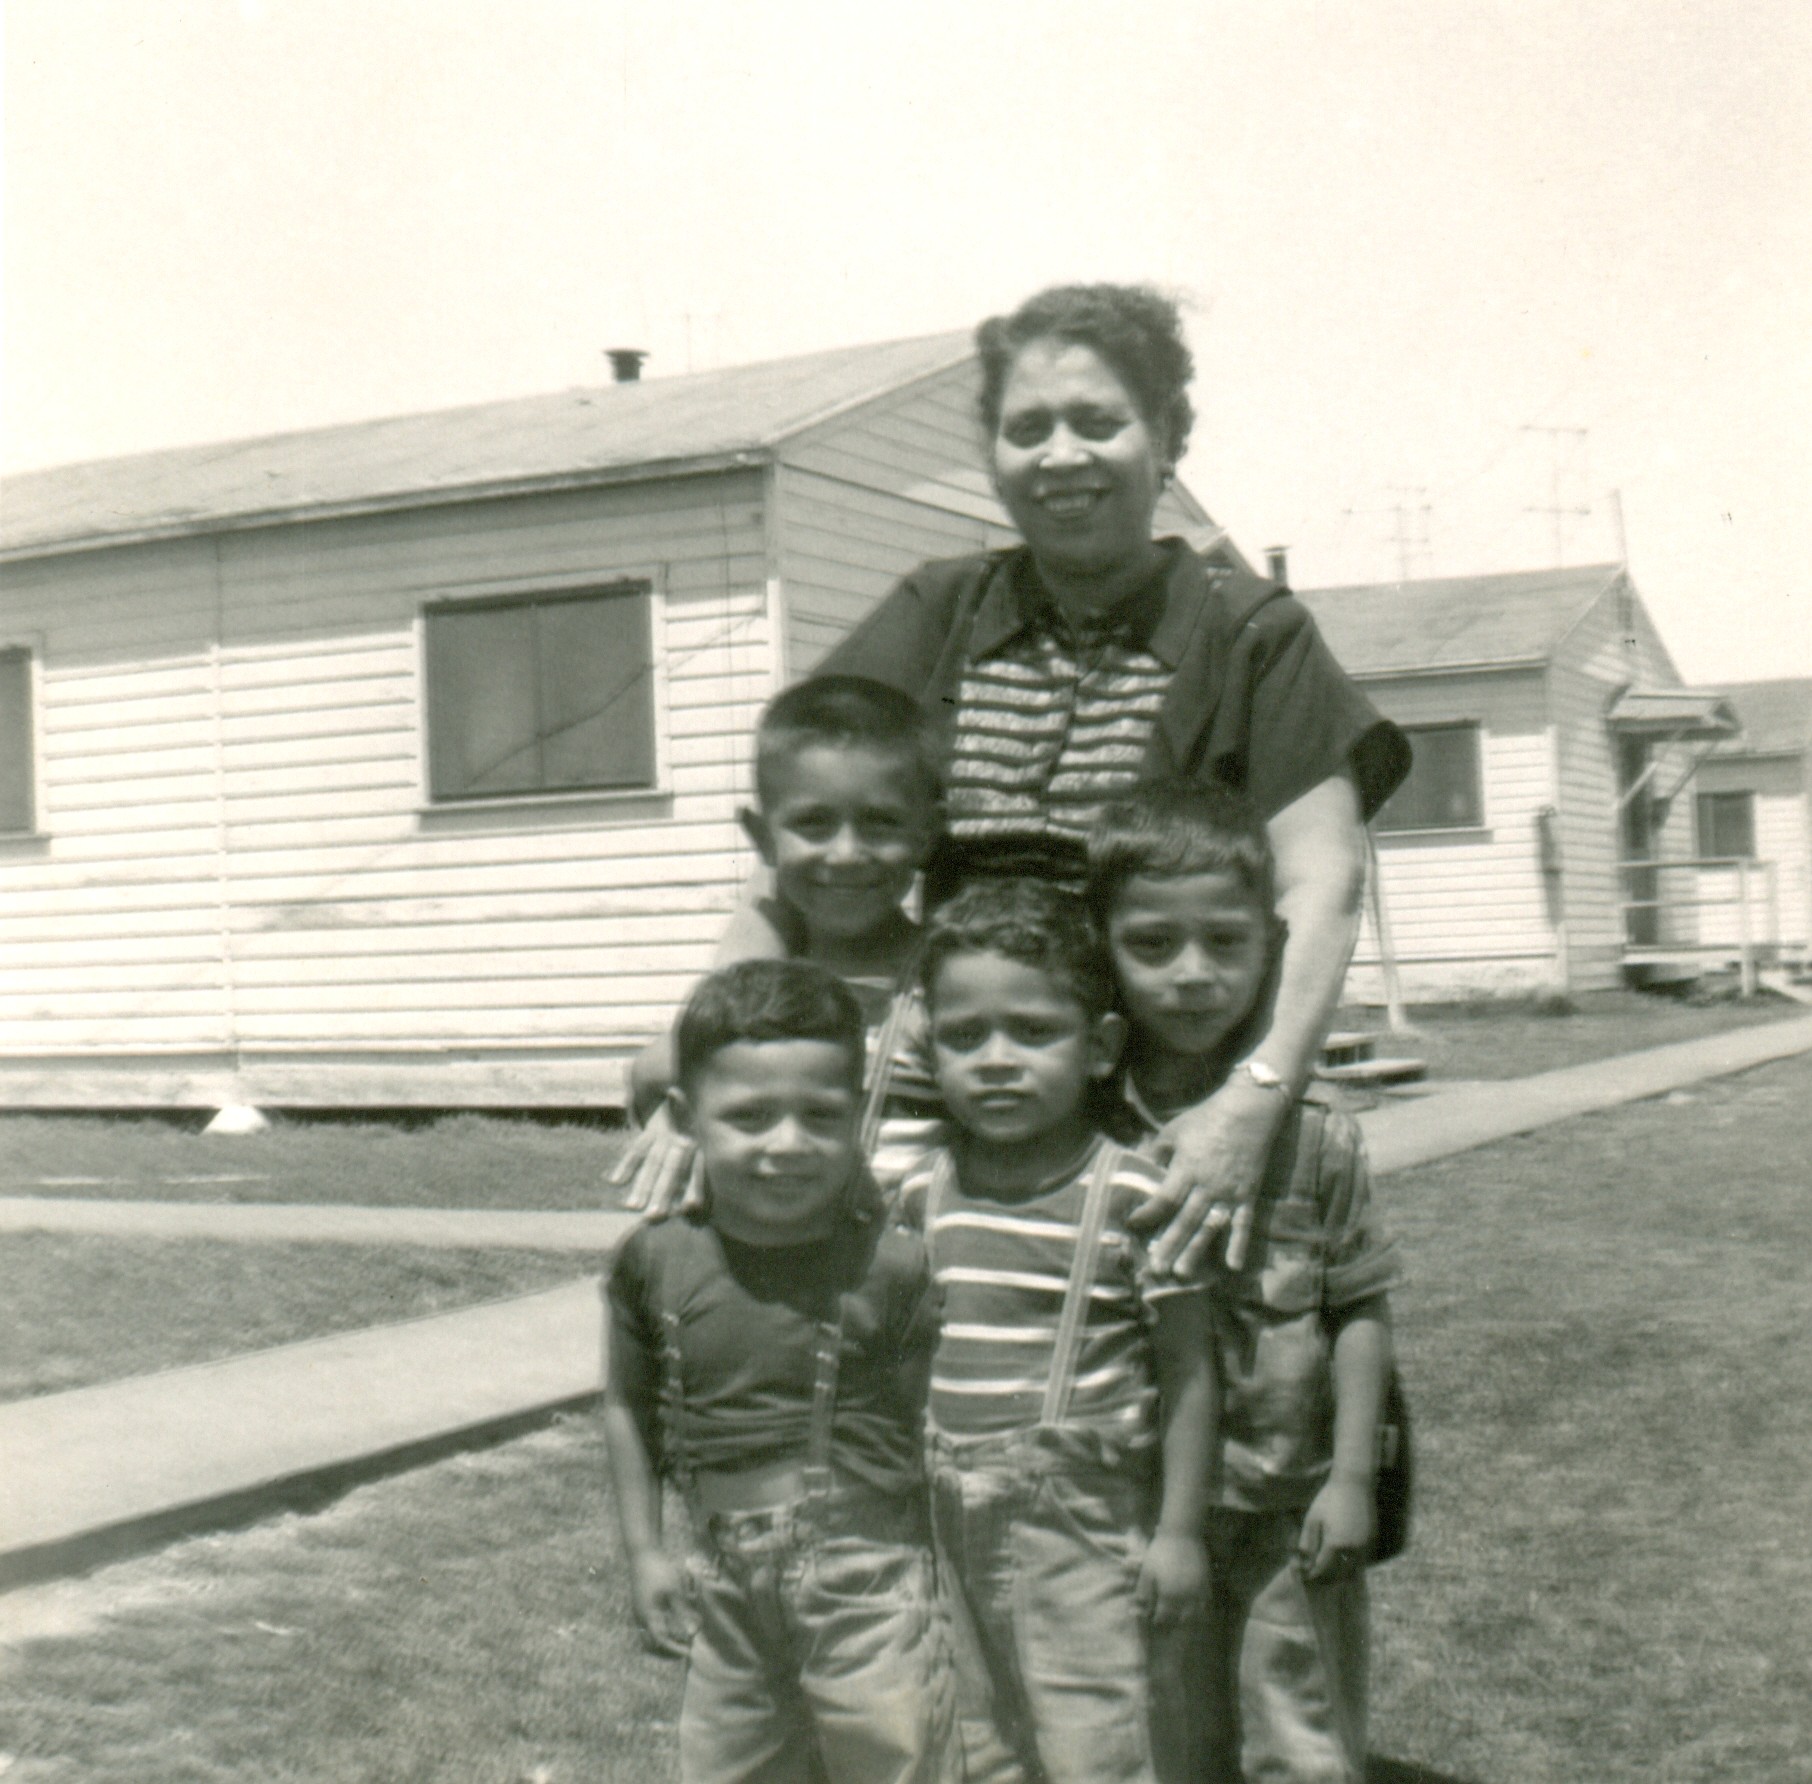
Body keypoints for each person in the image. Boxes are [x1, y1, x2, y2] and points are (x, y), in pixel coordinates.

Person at [715, 283, 1409, 1272]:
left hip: (1175, 1104)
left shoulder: (1251, 631)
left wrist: (1251, 1099)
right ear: (991, 454)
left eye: (1098, 421)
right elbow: (794, 835)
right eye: (1028, 427)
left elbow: (1323, 882)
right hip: (967, 1108)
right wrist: (714, 1047)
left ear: (1168, 437)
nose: (1061, 455)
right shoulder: (938, 609)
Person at [1087, 783, 1400, 1784]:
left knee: (1297, 1740)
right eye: (1153, 944)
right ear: (1103, 947)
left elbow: (1359, 1310)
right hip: (1132, 1508)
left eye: (1226, 941)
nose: (1193, 973)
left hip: (1286, 1502)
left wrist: (1351, 1479)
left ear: (1272, 943)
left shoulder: (1316, 1137)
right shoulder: (1083, 1132)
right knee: (1163, 1738)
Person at [601, 958, 955, 1783]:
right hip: (724, 1581)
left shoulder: (894, 1264)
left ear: (858, 1117)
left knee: (896, 1761)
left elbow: (932, 1427)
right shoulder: (654, 1260)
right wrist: (646, 1551)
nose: (788, 1144)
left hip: (871, 1584)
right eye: (750, 1116)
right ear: (686, 1117)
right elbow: (626, 1406)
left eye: (821, 1116)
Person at [896, 877, 1217, 1783]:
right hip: (941, 1515)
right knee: (971, 1733)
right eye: (966, 1037)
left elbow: (1190, 1371)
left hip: (1079, 1532)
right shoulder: (923, 1192)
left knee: (1094, 1740)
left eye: (1034, 1032)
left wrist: (1180, 1531)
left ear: (1100, 1046)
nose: (997, 1060)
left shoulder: (1132, 1196)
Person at [614, 674, 947, 1207]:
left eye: (881, 824)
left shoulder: (946, 984)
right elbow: (653, 1073)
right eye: (813, 824)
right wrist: (680, 1118)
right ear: (763, 838)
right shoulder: (752, 987)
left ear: (927, 835)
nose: (846, 853)